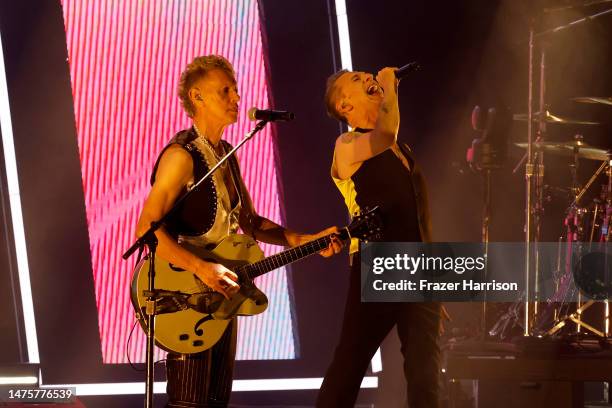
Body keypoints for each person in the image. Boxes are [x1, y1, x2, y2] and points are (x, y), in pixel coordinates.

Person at [136, 55, 341, 408]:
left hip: (222, 293)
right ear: (197, 96)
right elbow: (146, 230)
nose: (236, 98)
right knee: (189, 403)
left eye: (236, 90)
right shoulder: (180, 155)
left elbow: (250, 222)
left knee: (215, 401)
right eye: (225, 91)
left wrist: (302, 240)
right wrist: (201, 267)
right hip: (188, 292)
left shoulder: (226, 153)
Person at [317, 67, 442, 408]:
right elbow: (385, 132)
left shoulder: (400, 148)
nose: (369, 77)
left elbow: (420, 215)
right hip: (380, 262)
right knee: (351, 361)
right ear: (344, 105)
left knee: (425, 370)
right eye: (357, 80)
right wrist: (390, 84)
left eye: (369, 75)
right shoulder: (347, 144)